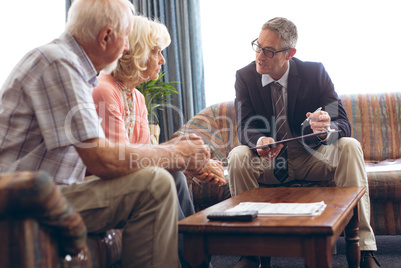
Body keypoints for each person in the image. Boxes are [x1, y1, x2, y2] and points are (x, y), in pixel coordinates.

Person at [0, 1, 211, 267]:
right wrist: (174, 153)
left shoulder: (72, 67)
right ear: (106, 37)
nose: (126, 48)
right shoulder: (59, 62)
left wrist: (175, 154)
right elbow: (102, 159)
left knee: (160, 177)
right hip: (27, 199)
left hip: (54, 191)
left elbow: (112, 153)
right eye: (125, 38)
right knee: (154, 185)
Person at [228, 17, 380, 268]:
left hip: (311, 157)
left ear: (290, 53)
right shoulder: (245, 77)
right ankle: (250, 251)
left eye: (269, 50)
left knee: (350, 146)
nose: (260, 55)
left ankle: (364, 249)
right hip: (270, 159)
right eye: (257, 46)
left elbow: (342, 122)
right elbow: (244, 125)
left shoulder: (314, 73)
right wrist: (260, 140)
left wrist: (325, 130)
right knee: (237, 155)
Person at [92, 15, 225, 266]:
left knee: (173, 174)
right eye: (156, 52)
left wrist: (191, 164)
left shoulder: (136, 97)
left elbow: (148, 154)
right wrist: (185, 159)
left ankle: (195, 260)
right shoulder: (104, 89)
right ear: (137, 52)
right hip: (106, 187)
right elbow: (123, 161)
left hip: (130, 181)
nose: (163, 60)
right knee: (167, 175)